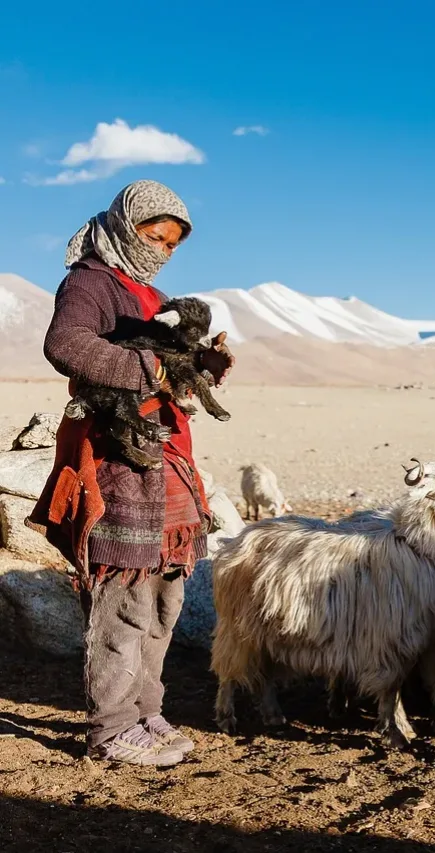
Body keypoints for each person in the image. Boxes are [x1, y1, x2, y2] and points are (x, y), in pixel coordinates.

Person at [28, 180, 234, 766]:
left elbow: (173, 372)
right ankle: (112, 727)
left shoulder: (151, 294)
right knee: (126, 594)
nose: (163, 249)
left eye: (172, 243)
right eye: (155, 235)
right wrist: (149, 370)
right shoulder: (90, 281)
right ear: (126, 223)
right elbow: (64, 343)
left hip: (167, 454)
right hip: (118, 454)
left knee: (166, 595)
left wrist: (203, 366)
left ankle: (147, 710)